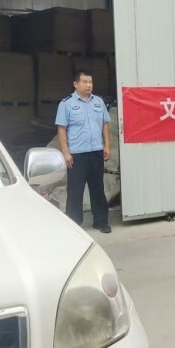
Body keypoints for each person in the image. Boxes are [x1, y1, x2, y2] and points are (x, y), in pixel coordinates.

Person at [56, 69, 112, 233]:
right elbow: (61, 129)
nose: (89, 85)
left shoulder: (99, 102)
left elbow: (105, 124)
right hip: (77, 154)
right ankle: (75, 223)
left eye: (91, 82)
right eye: (85, 82)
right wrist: (66, 152)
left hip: (96, 152)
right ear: (76, 84)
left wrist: (106, 145)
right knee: (75, 190)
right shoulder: (66, 104)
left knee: (98, 189)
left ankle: (101, 222)